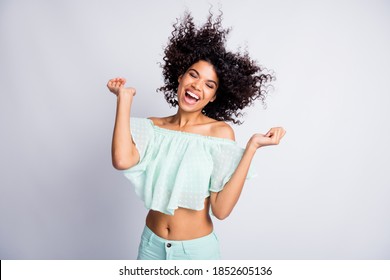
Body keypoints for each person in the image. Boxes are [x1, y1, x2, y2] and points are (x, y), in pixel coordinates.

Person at [107, 11, 286, 260]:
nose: (197, 86)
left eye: (209, 85)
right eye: (193, 75)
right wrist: (124, 100)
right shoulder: (153, 127)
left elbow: (221, 210)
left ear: (213, 97)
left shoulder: (219, 133)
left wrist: (252, 147)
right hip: (150, 246)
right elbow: (122, 160)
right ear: (180, 78)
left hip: (195, 253)